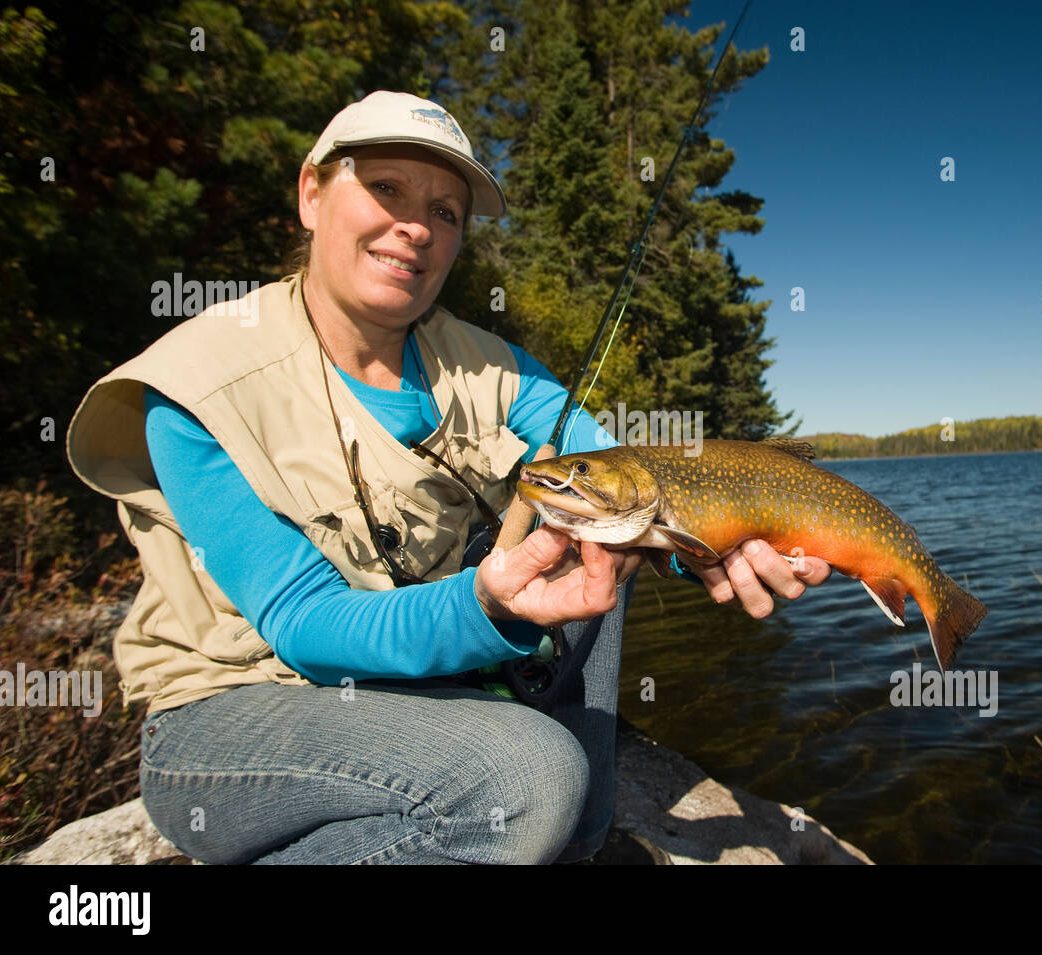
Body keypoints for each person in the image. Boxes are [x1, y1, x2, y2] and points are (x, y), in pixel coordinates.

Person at [66, 90, 830, 864]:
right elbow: (302, 625)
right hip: (229, 716)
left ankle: (580, 841)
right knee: (526, 774)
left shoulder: (489, 363)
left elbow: (628, 478)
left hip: (398, 690)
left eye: (447, 211)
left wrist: (706, 547)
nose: (417, 227)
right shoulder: (197, 385)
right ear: (311, 193)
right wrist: (487, 605)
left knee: (591, 533)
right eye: (386, 189)